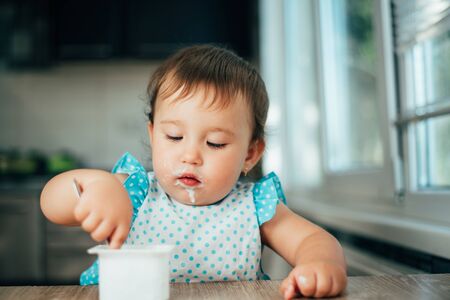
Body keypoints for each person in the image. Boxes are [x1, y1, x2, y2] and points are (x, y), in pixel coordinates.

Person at [40, 45, 347, 299]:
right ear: (152, 134)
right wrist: (96, 185)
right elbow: (51, 203)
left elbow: (313, 240)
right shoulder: (133, 191)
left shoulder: (255, 206)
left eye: (215, 143)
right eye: (174, 137)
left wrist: (320, 265)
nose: (190, 156)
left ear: (250, 154)